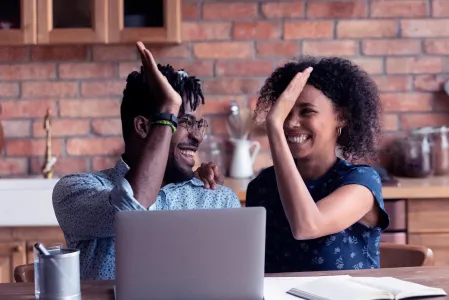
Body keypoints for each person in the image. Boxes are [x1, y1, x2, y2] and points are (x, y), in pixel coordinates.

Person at [52, 41, 240, 280]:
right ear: (143, 127)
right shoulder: (76, 191)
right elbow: (132, 206)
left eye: (199, 124)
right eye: (183, 122)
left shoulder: (218, 200)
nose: (198, 136)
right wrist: (168, 109)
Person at [245, 57, 390, 273]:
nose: (291, 123)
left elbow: (307, 226)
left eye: (306, 111)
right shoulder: (263, 186)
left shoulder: (361, 183)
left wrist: (274, 125)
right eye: (285, 112)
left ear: (341, 117)